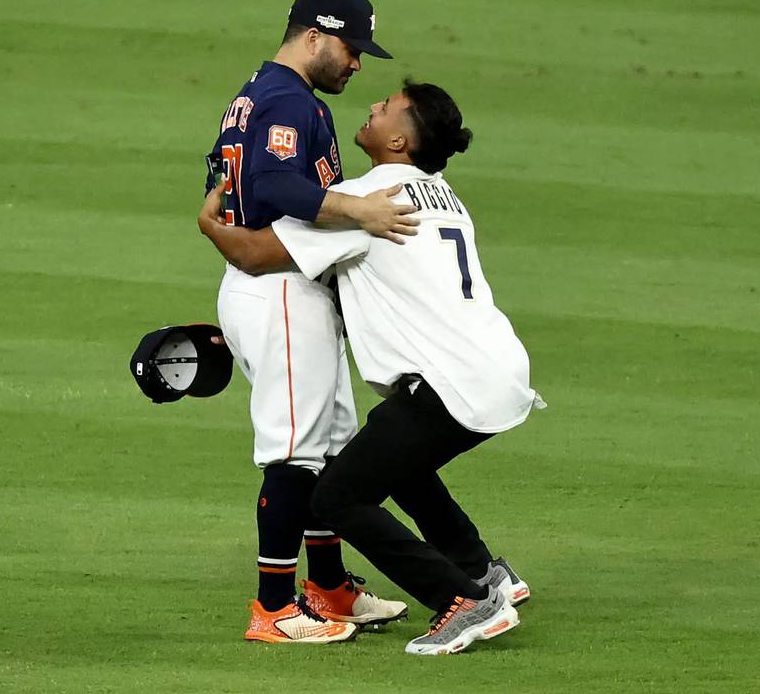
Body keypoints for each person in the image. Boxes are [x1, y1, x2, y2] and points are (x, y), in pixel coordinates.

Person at [198, 80, 545, 655]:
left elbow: (252, 254)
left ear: (401, 139)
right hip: (498, 371)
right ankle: (486, 573)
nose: (374, 107)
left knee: (335, 498)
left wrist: (211, 223)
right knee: (395, 466)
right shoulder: (442, 193)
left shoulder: (366, 203)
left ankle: (461, 601)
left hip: (449, 383)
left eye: (387, 108)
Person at [203, 0, 411, 644]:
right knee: (295, 450)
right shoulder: (289, 98)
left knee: (328, 448)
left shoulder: (260, 93)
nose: (357, 64)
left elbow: (221, 178)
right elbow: (272, 186)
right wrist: (360, 211)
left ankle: (329, 588)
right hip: (278, 287)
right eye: (352, 49)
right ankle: (272, 607)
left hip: (285, 286)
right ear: (314, 36)